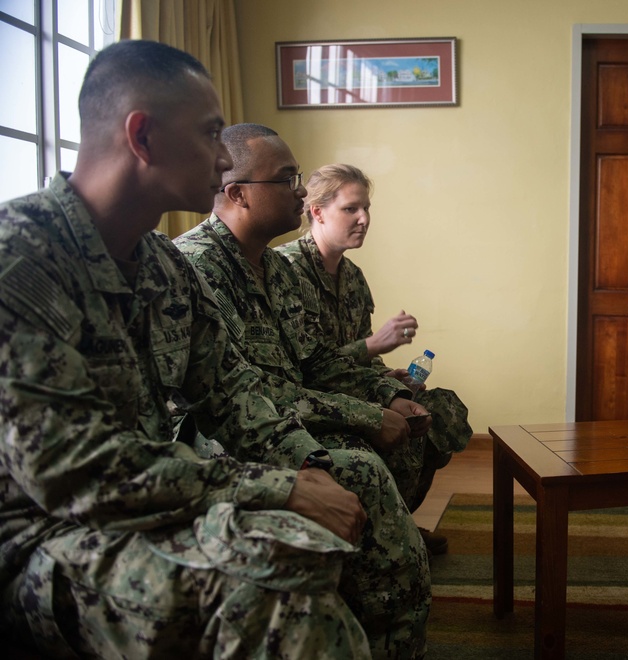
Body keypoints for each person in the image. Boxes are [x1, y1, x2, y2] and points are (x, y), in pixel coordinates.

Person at [0, 40, 372, 658]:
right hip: (39, 533)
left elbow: (233, 392)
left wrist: (312, 470)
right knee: (275, 597)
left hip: (152, 500)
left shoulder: (164, 268)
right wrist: (273, 489)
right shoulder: (22, 261)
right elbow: (76, 473)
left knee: (321, 535)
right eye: (211, 133)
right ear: (142, 137)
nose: (224, 156)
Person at [174, 123, 431, 658]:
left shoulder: (273, 267)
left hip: (284, 416)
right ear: (236, 193)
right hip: (225, 437)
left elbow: (314, 363)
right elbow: (242, 394)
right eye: (286, 179)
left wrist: (382, 398)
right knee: (361, 467)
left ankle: (368, 608)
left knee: (404, 433)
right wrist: (362, 417)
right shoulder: (196, 267)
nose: (299, 190)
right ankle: (375, 613)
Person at [277, 163, 473, 555]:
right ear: (317, 211)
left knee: (438, 410)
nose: (364, 219)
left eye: (366, 208)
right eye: (351, 209)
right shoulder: (286, 271)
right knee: (403, 429)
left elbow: (360, 360)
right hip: (311, 398)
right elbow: (303, 366)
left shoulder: (352, 277)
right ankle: (383, 537)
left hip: (357, 388)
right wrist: (372, 349)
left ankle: (401, 522)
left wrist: (390, 376)